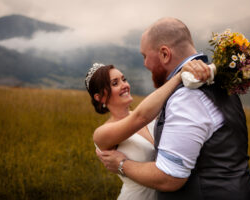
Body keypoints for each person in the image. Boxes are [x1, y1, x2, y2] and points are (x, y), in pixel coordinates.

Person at [96, 17, 250, 200]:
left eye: (145, 56)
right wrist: (180, 77)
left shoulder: (186, 96)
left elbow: (170, 178)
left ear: (165, 54)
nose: (145, 64)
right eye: (115, 83)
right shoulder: (221, 80)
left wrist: (121, 164)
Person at [85, 61, 211, 200]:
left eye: (124, 79)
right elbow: (141, 117)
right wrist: (179, 76)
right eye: (115, 83)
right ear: (100, 97)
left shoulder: (151, 117)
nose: (125, 85)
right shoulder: (102, 134)